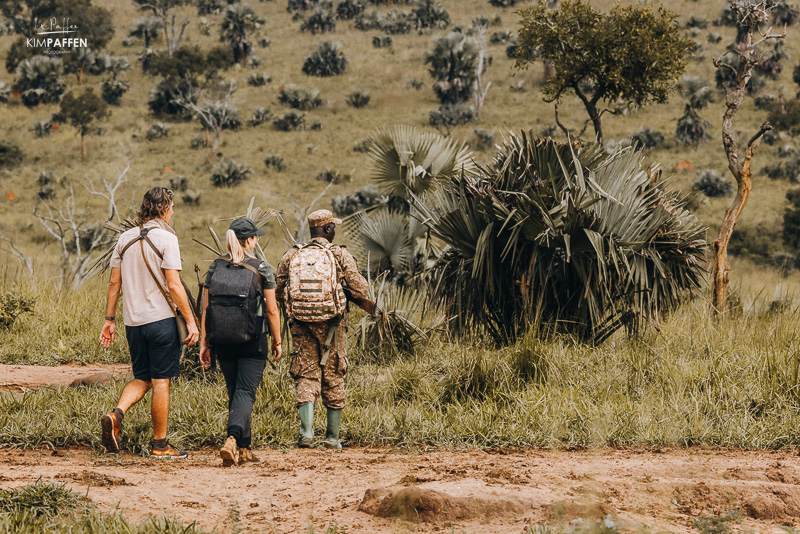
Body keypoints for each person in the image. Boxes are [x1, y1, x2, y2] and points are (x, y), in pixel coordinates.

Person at [99, 187, 200, 458]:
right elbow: (174, 285)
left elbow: (114, 283)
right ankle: (160, 445)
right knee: (161, 381)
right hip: (161, 322)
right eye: (172, 208)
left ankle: (116, 415)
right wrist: (191, 321)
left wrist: (109, 320)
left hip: (133, 323)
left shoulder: (125, 239)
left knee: (142, 377)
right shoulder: (167, 239)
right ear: (165, 209)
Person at [275, 209, 372, 450]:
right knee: (333, 374)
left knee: (306, 374)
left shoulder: (292, 255)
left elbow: (278, 290)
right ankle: (331, 438)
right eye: (333, 227)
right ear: (328, 229)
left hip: (301, 324)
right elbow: (361, 291)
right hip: (333, 326)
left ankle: (306, 432)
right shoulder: (339, 254)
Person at [199, 217, 282, 467]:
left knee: (235, 392)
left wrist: (205, 342)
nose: (257, 240)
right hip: (252, 341)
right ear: (249, 240)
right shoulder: (261, 268)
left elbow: (206, 308)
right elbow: (272, 310)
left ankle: (244, 450)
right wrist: (277, 340)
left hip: (222, 340)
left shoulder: (215, 267)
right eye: (255, 236)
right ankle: (232, 439)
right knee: (246, 393)